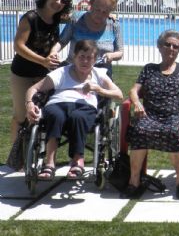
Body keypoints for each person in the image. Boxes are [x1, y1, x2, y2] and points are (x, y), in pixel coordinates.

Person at [25, 40, 122, 180]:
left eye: (89, 57)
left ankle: (77, 161)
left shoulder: (98, 74)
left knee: (78, 117)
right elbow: (33, 89)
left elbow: (119, 94)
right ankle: (49, 162)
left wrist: (98, 89)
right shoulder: (62, 72)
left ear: (94, 60)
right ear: (74, 57)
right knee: (55, 115)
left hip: (85, 106)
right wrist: (29, 104)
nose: (85, 61)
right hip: (58, 104)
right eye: (81, 56)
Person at [125, 30, 179, 199]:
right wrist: (136, 102)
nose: (171, 48)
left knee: (174, 132)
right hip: (150, 115)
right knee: (139, 130)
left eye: (176, 46)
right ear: (160, 46)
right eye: (168, 44)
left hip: (175, 116)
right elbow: (134, 90)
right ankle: (134, 181)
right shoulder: (149, 69)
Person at [9, 0, 72, 145]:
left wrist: (110, 15)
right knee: (22, 115)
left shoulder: (56, 19)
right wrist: (43, 61)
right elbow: (18, 46)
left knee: (38, 115)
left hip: (43, 75)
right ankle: (16, 158)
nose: (58, 2)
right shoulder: (31, 17)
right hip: (22, 73)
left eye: (63, 1)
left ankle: (32, 153)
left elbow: (83, 16)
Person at [52, 0, 123, 78]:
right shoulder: (76, 19)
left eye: (105, 12)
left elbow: (120, 52)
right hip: (74, 72)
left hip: (101, 75)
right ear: (91, 5)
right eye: (97, 10)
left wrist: (112, 55)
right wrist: (54, 52)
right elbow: (62, 41)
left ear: (110, 11)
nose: (100, 14)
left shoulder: (114, 24)